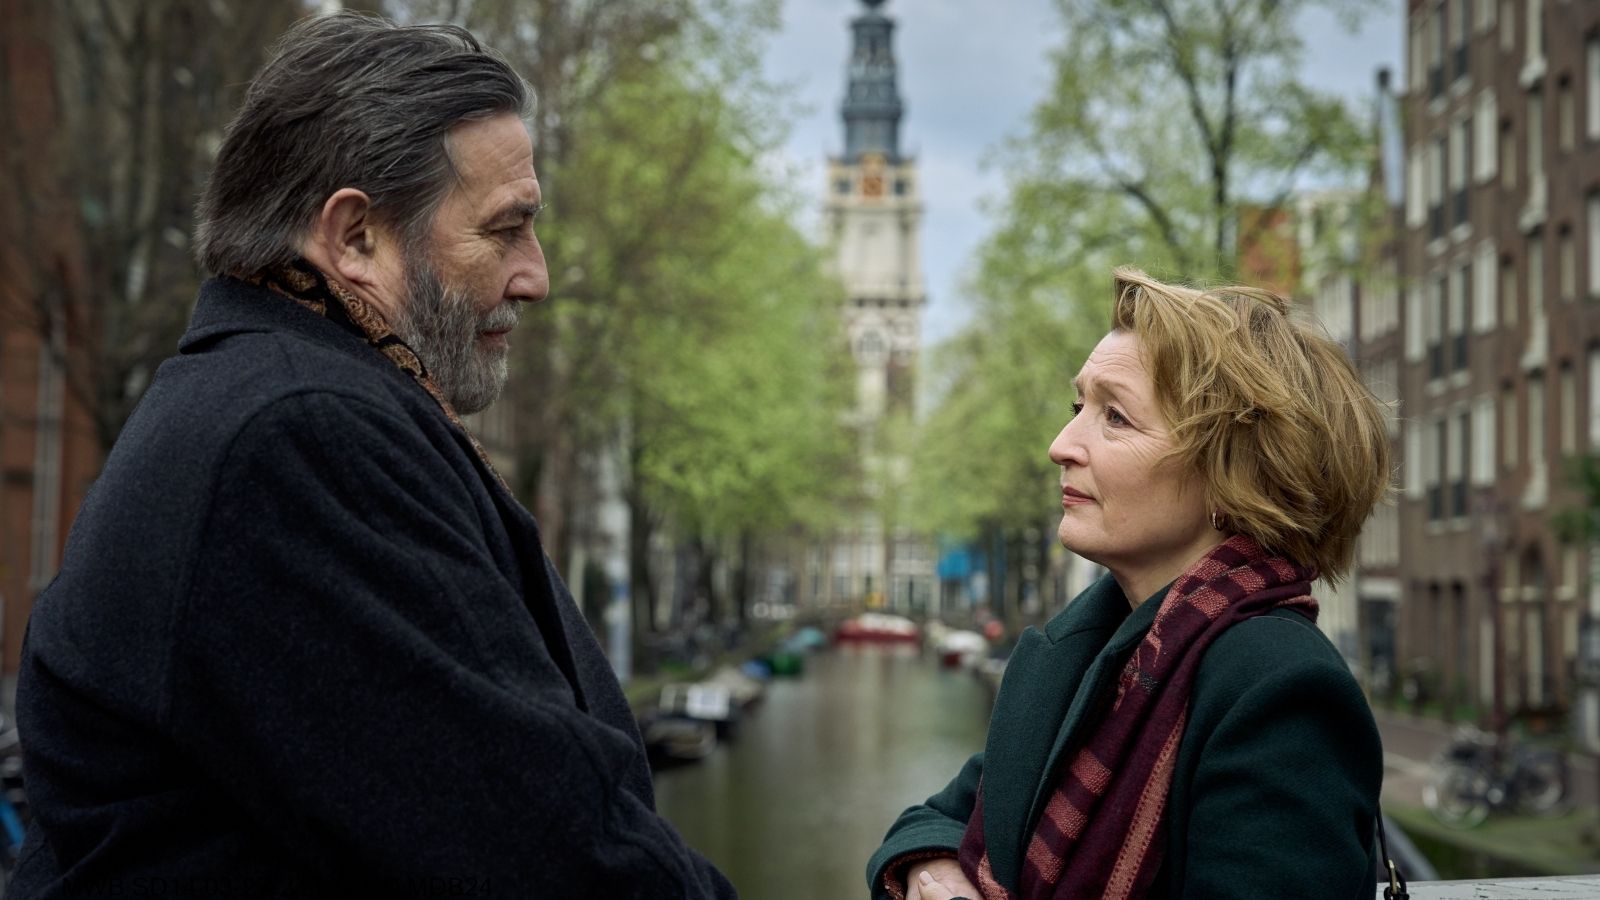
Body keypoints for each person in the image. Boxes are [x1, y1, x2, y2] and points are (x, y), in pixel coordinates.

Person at [13, 13, 734, 898]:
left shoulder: (275, 398)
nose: (536, 275)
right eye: (506, 229)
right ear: (355, 238)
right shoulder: (300, 439)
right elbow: (543, 844)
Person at [868, 268, 1391, 900]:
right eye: (1076, 406)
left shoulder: (1280, 690)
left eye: (1114, 417)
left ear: (1233, 473)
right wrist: (933, 873)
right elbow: (931, 820)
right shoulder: (1089, 650)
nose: (1062, 444)